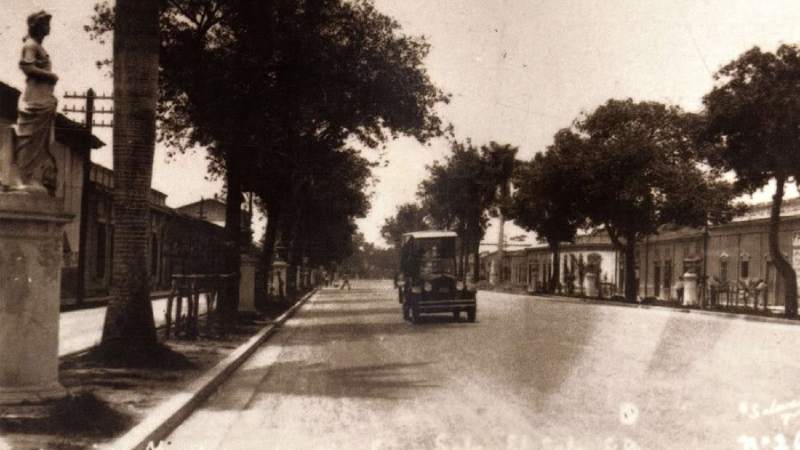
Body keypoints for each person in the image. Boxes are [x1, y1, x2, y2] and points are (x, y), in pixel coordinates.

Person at [12, 11, 58, 195]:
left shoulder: (38, 46)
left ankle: (29, 176)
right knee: (29, 137)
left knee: (37, 140)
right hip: (34, 99)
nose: (49, 28)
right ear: (37, 26)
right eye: (46, 24)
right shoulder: (30, 45)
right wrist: (51, 76)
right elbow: (26, 67)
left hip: (42, 97)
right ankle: (23, 178)